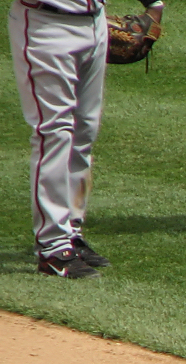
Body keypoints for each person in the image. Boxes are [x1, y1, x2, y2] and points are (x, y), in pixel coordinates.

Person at [8, 0, 160, 278]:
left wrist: (154, 4)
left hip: (95, 22)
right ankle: (52, 247)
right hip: (46, 23)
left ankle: (70, 231)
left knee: (84, 131)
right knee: (54, 134)